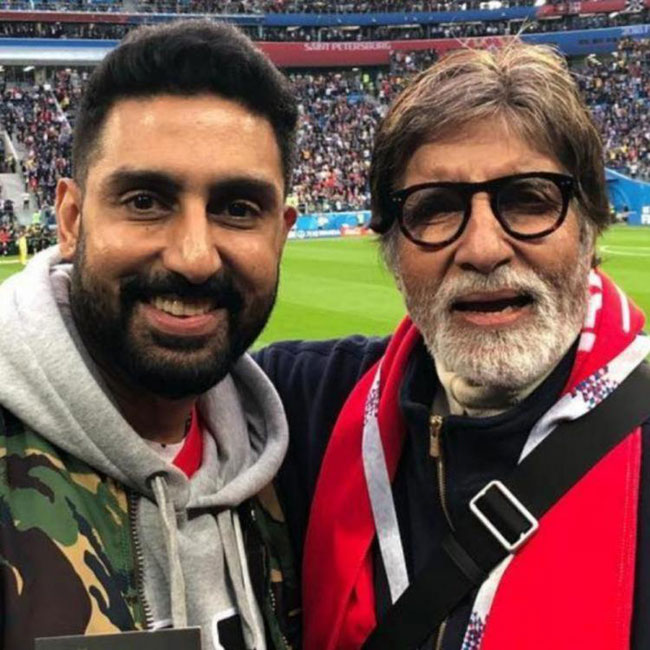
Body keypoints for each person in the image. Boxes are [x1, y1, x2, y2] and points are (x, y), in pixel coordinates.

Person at [255, 43, 650, 650]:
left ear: (590, 229)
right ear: (392, 252)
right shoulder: (303, 405)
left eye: (528, 199)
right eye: (436, 208)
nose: (484, 249)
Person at [0, 20, 300, 650]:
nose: (194, 257)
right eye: (144, 201)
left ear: (281, 232)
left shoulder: (289, 471)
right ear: (72, 220)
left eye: (237, 209)